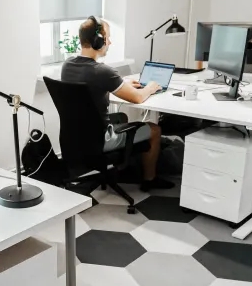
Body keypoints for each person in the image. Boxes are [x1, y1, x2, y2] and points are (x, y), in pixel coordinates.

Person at [61, 17, 174, 192]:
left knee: (121, 117)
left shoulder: (67, 65)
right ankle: (149, 180)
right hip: (99, 140)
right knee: (154, 129)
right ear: (98, 40)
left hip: (75, 137)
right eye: (108, 38)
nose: (110, 42)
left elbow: (97, 84)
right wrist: (151, 87)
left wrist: (123, 84)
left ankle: (124, 168)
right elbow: (137, 98)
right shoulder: (102, 71)